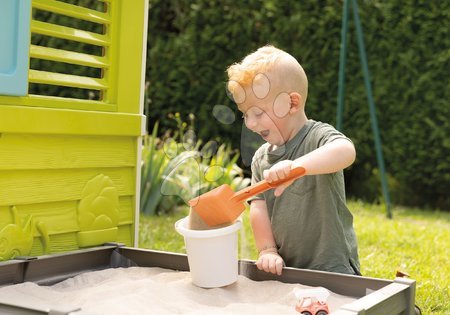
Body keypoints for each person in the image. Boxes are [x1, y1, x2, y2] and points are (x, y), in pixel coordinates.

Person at [226, 45, 360, 276]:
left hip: (332, 268)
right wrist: (267, 250)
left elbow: (346, 151)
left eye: (258, 113)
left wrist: (297, 167)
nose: (250, 123)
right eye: (245, 115)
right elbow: (258, 208)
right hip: (286, 269)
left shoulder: (317, 137)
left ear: (292, 103)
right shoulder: (261, 158)